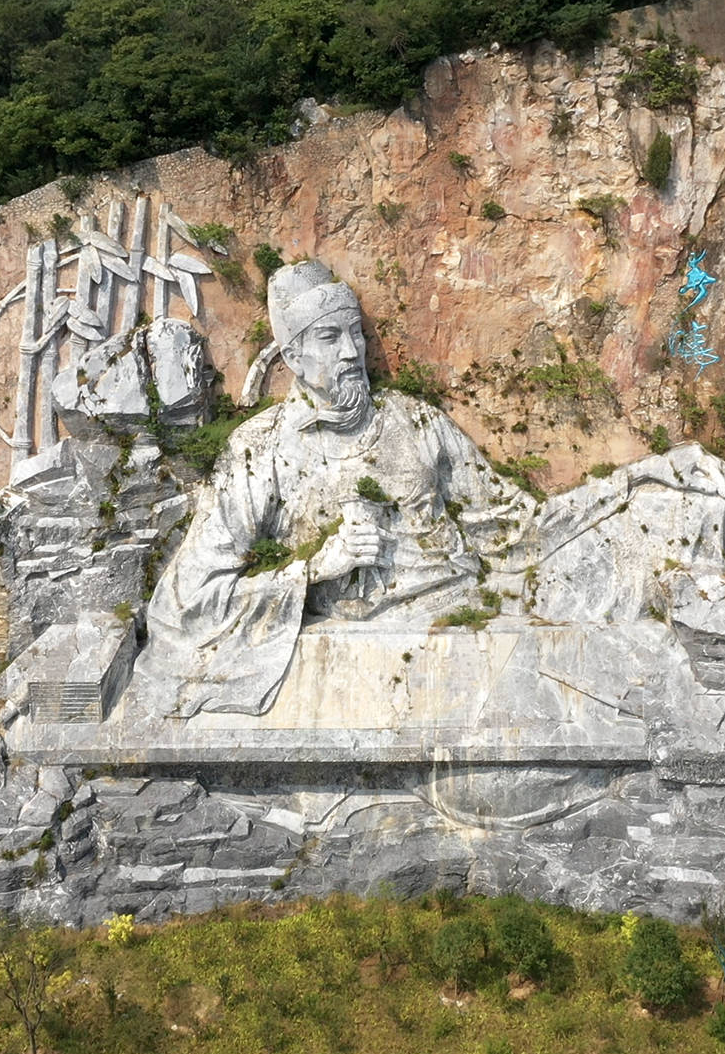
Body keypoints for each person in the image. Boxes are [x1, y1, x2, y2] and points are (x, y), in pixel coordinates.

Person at [129, 260, 536, 716]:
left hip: (466, 631)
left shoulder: (415, 420)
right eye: (329, 337)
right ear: (293, 358)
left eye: (356, 333)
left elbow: (513, 528)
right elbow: (184, 604)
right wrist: (314, 569)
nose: (351, 351)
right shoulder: (260, 450)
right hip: (350, 664)